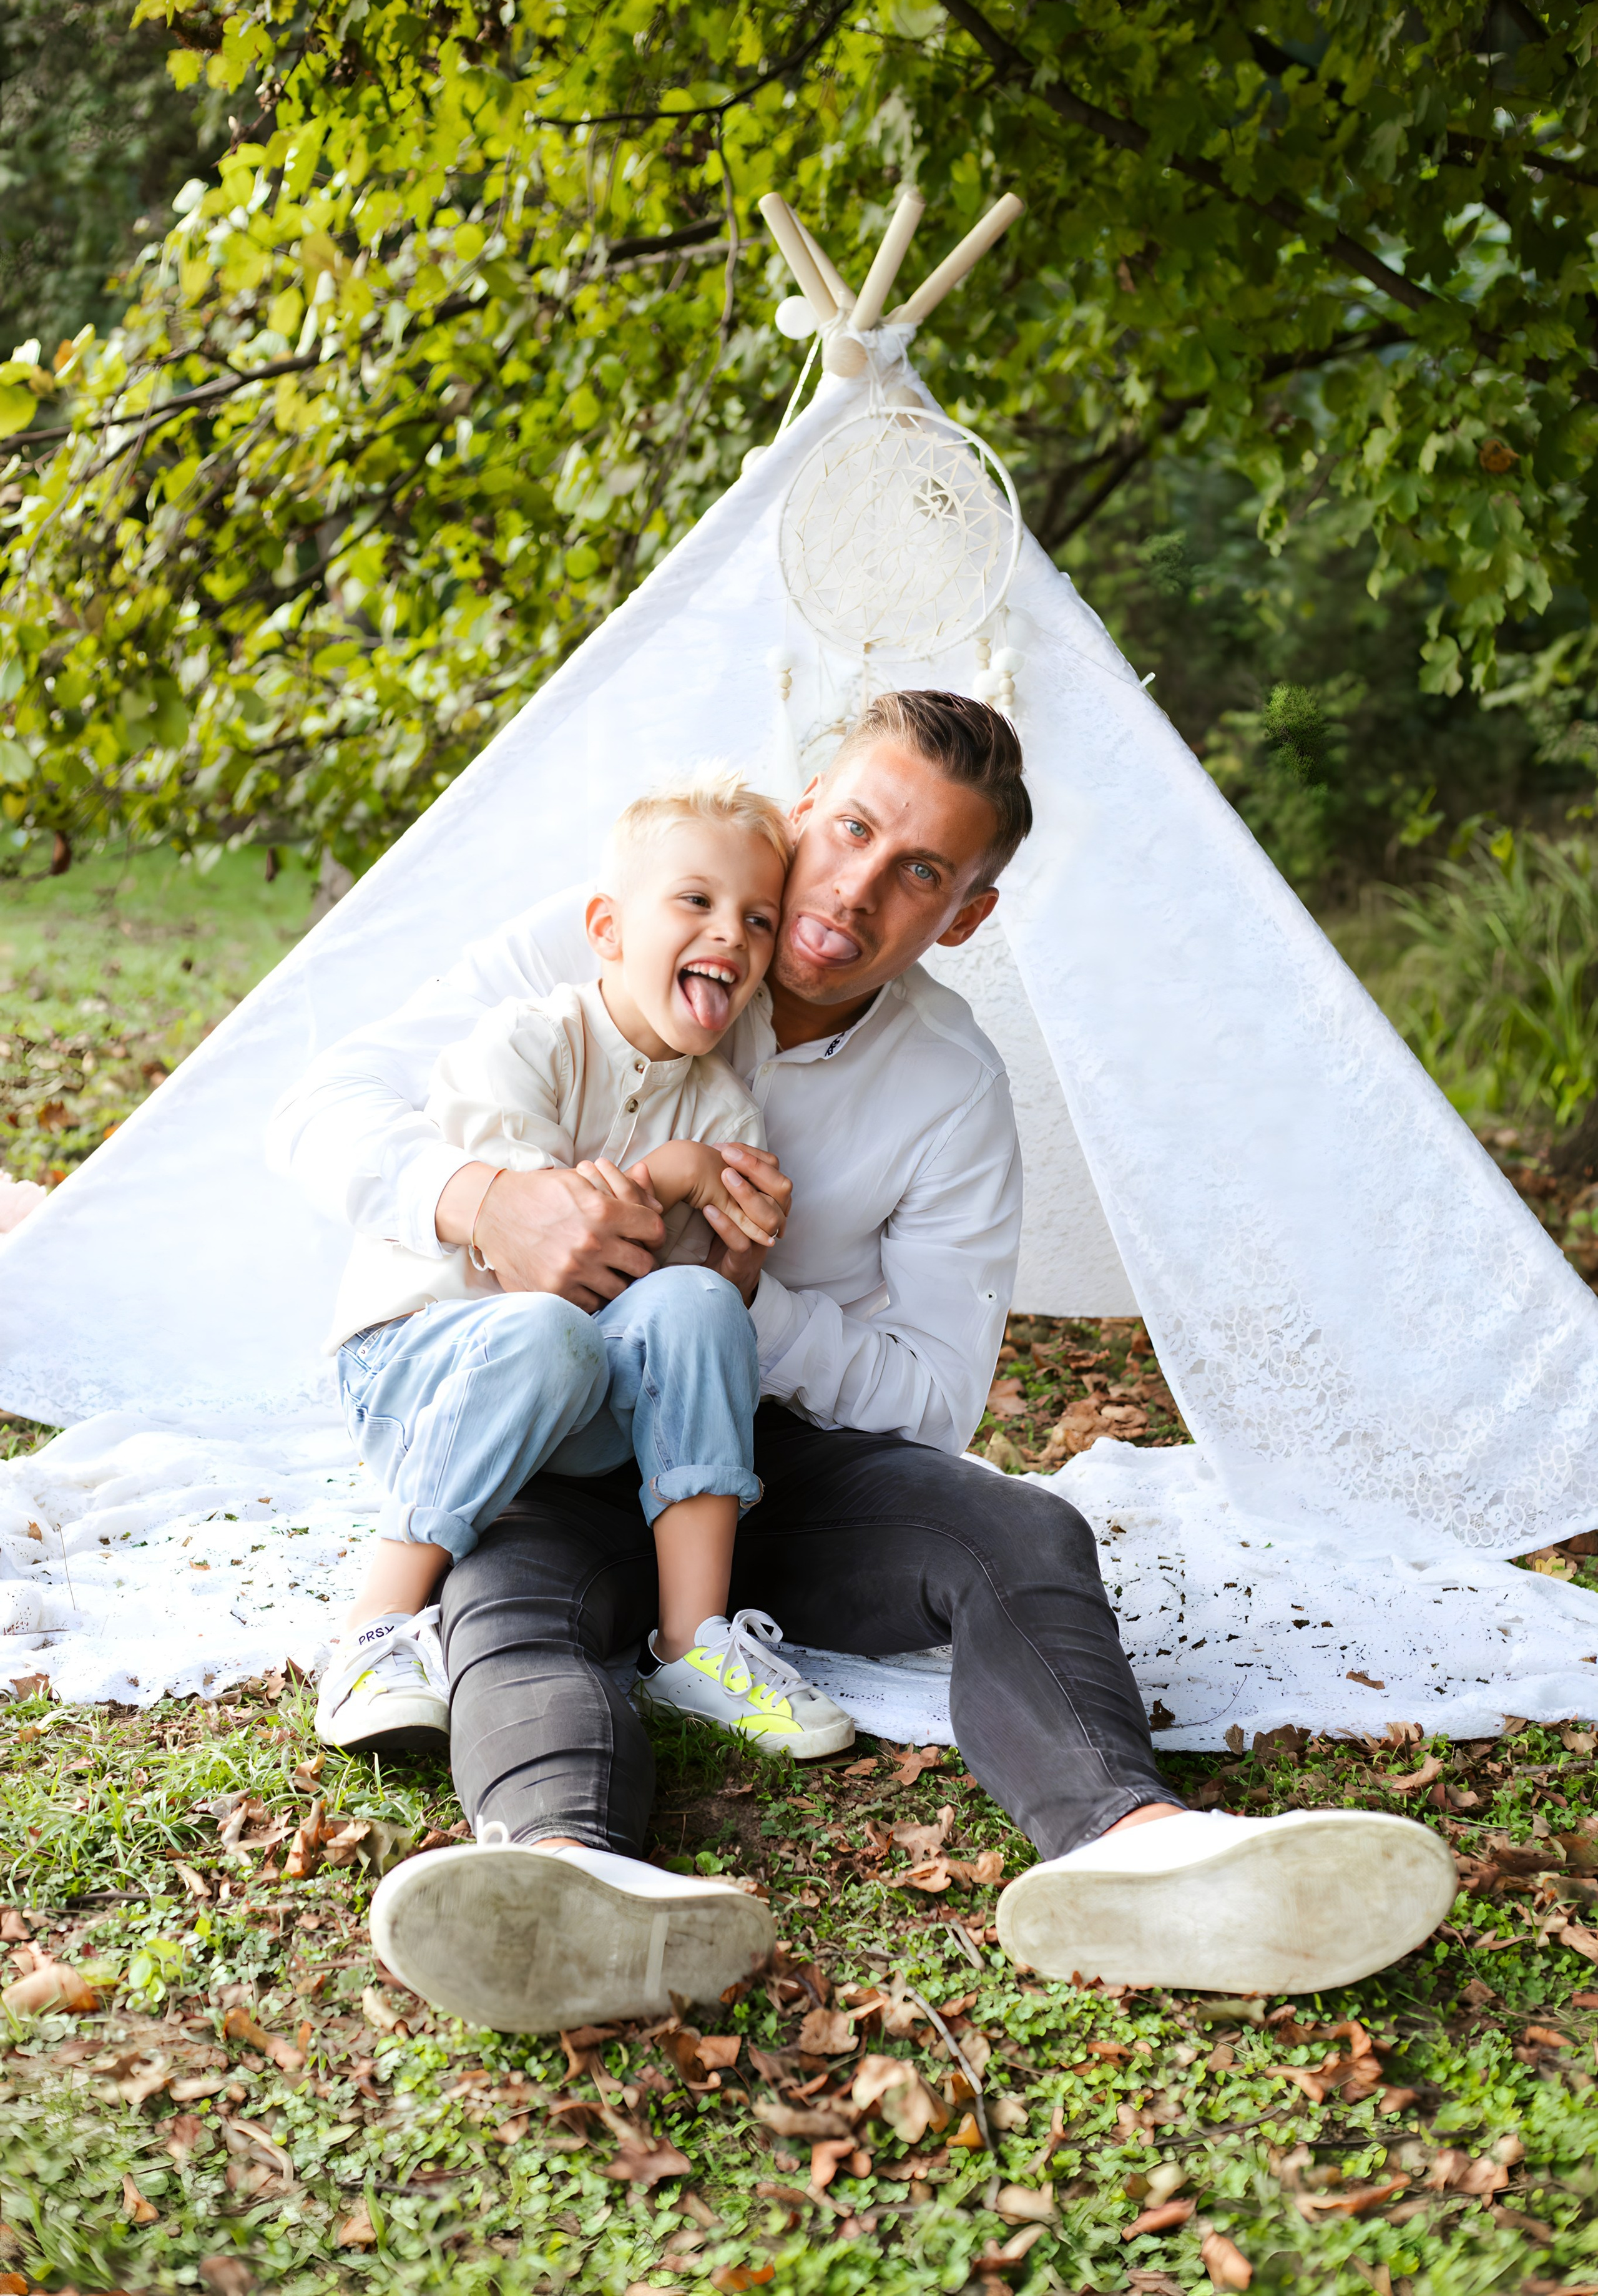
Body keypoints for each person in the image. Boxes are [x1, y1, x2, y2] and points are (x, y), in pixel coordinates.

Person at [270, 689, 1455, 2031]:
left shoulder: (948, 1084)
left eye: (920, 874)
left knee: (1020, 1530)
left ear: (964, 915)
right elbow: (323, 1108)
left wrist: (733, 1303)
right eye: (847, 829)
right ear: (796, 813)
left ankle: (1131, 1845)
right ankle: (561, 1873)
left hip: (765, 1471)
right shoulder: (620, 926)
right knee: (511, 1592)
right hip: (553, 1426)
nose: (854, 890)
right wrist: (483, 1197)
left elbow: (932, 1396)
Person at [311, 767, 853, 1765]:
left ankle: (694, 1642)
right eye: (696, 901)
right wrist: (669, 1174)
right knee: (548, 1327)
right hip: (419, 1372)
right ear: (608, 927)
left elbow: (664, 1329)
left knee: (692, 1300)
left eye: (759, 920)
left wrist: (731, 1271)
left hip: (568, 1412)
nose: (731, 934)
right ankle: (371, 1630)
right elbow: (542, 1263)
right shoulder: (528, 1043)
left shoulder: (725, 1112)